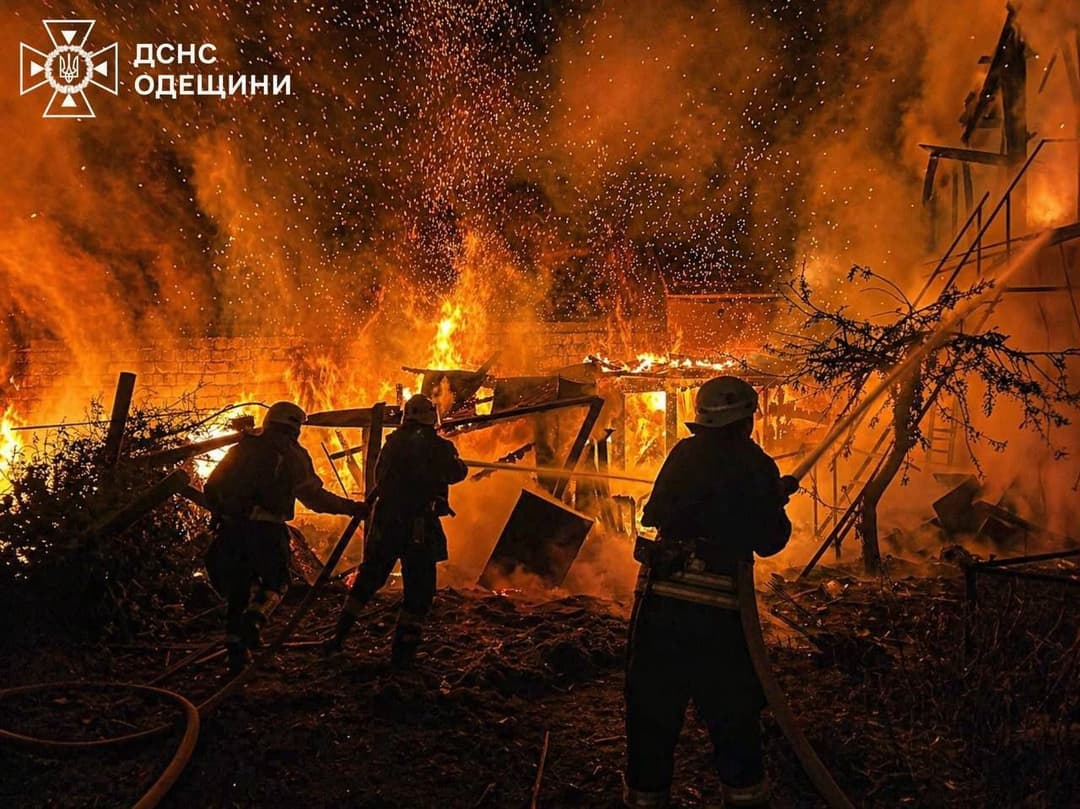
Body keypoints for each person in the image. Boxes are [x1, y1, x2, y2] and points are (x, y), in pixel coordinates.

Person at [624, 376, 795, 808]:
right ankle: (743, 798)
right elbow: (771, 539)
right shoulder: (755, 463)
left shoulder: (683, 454)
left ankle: (645, 799)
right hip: (719, 621)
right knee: (733, 718)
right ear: (746, 419)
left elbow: (655, 511)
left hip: (660, 609)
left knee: (651, 715)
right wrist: (768, 501)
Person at [204, 401, 367, 673]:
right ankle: (254, 621)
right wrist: (352, 508)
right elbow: (314, 498)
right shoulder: (293, 455)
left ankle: (236, 653)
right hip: (267, 532)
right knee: (277, 582)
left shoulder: (240, 449)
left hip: (232, 531)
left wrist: (224, 513)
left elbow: (212, 488)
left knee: (238, 590)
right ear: (296, 427)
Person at [324, 393, 468, 667]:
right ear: (431, 417)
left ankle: (338, 637)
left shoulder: (392, 443)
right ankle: (402, 655)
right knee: (419, 590)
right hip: (418, 527)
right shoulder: (439, 447)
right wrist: (457, 463)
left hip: (386, 522)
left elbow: (381, 478)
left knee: (369, 578)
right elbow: (456, 473)